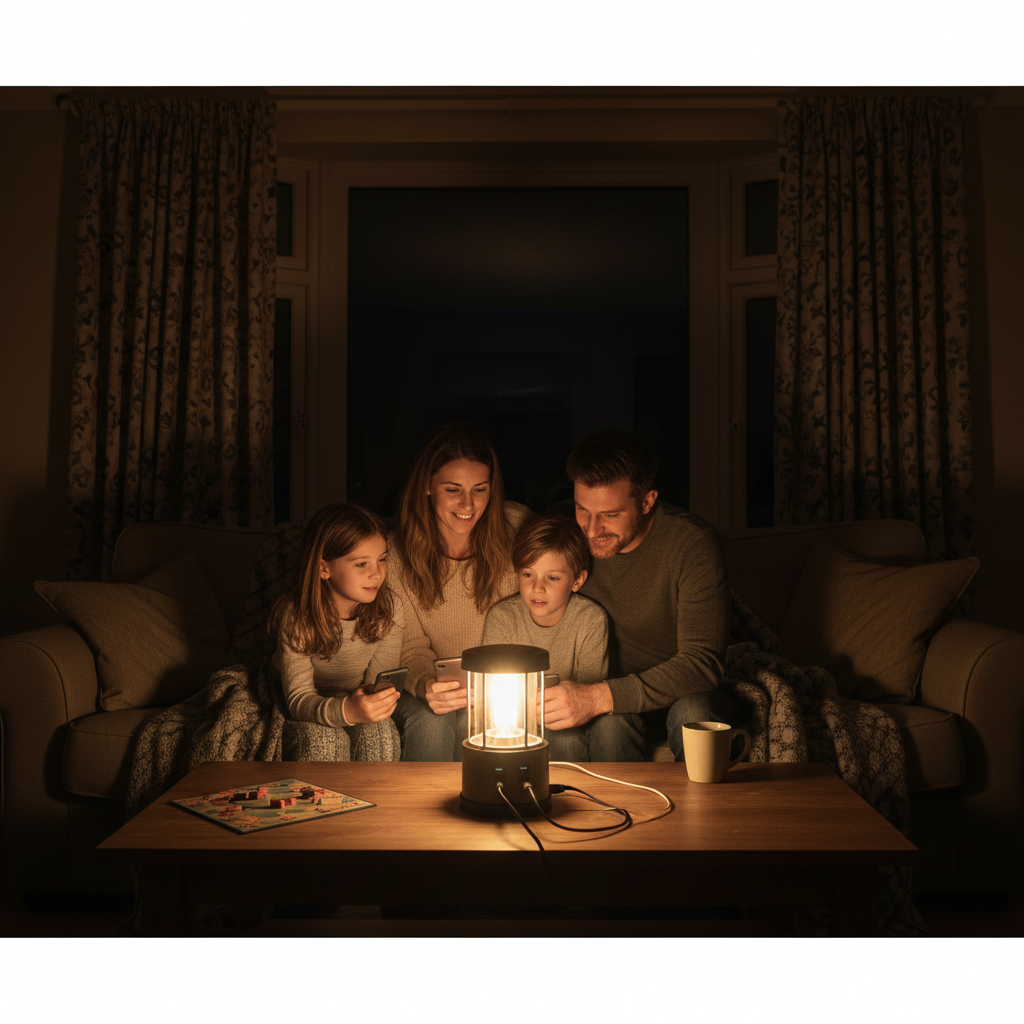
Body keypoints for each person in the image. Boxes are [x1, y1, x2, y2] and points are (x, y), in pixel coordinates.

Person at [545, 429, 744, 761]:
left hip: (677, 691)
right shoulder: (565, 531)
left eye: (610, 515)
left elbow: (701, 664)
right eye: (583, 510)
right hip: (603, 693)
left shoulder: (691, 544)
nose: (592, 530)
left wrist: (597, 698)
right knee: (610, 725)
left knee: (694, 713)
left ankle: (701, 812)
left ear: (648, 501)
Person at [388, 423, 532, 760]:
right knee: (432, 721)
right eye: (453, 489)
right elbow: (409, 646)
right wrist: (427, 684)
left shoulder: (517, 527)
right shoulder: (395, 556)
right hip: (435, 684)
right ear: (427, 486)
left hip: (503, 686)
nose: (468, 504)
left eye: (480, 489)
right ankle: (423, 812)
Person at [268, 503, 404, 759]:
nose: (376, 574)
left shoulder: (390, 609)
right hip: (298, 698)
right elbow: (299, 699)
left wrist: (372, 705)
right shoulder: (296, 615)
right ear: (323, 568)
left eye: (382, 559)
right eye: (362, 564)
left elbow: (377, 685)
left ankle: (377, 799)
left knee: (381, 736)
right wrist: (347, 711)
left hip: (353, 694)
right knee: (324, 743)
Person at [482, 514, 609, 758]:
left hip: (569, 719)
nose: (537, 588)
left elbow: (587, 691)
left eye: (552, 578)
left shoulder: (590, 619)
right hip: (514, 720)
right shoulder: (503, 617)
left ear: (577, 580)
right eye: (528, 574)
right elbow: (493, 692)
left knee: (567, 737)